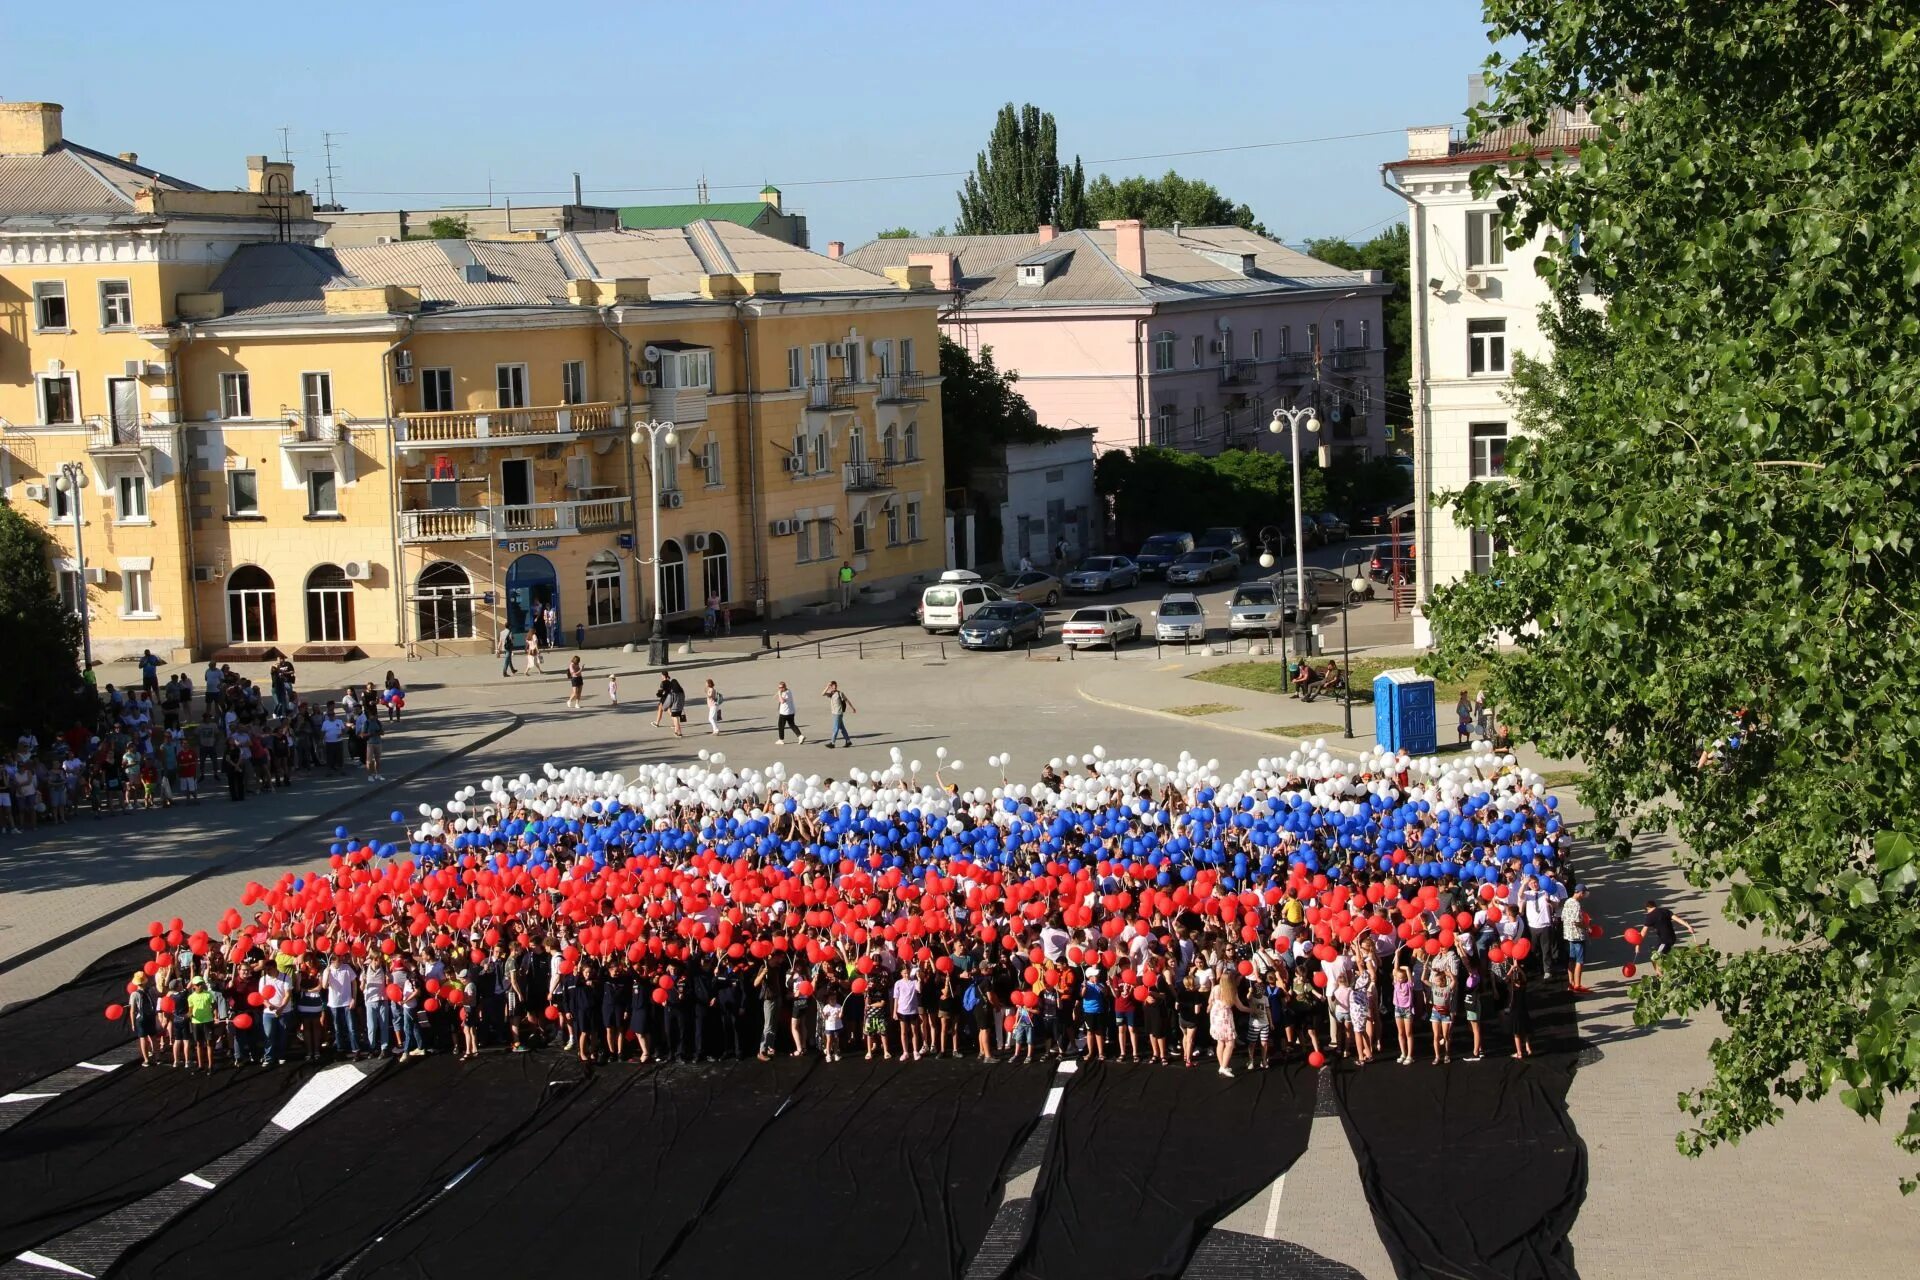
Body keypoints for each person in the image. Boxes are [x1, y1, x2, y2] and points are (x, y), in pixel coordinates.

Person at [1638, 898, 1695, 976]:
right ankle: (1663, 971)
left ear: (1647, 908)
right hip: (1671, 938)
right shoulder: (1665, 911)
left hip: (1665, 941)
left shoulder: (1650, 916)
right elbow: (1677, 919)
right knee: (1659, 952)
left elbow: (1643, 932)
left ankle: (1661, 976)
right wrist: (1688, 926)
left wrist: (1637, 945)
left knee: (1654, 958)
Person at [1210, 969, 1245, 1077]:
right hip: (1224, 1017)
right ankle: (1224, 1067)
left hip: (1215, 1016)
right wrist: (1253, 1010)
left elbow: (1210, 1001)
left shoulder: (1216, 988)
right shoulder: (1232, 991)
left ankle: (1222, 1066)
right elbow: (1241, 1007)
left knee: (1220, 1042)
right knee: (1230, 1043)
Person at [1562, 884, 1590, 993]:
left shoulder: (1567, 901)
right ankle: (1578, 985)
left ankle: (1571, 983)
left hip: (1569, 935)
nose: (1584, 896)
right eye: (1584, 893)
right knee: (1580, 960)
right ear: (1580, 893)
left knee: (1571, 959)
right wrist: (1587, 927)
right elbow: (1577, 921)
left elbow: (1563, 917)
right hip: (1577, 936)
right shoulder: (1576, 904)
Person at [821, 680, 855, 749]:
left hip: (838, 713)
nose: (835, 687)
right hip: (834, 713)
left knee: (835, 728)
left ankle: (832, 743)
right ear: (831, 687)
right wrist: (827, 686)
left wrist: (852, 708)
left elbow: (847, 700)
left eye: (836, 686)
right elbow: (822, 694)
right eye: (833, 686)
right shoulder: (830, 694)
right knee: (842, 728)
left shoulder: (840, 693)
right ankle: (848, 741)